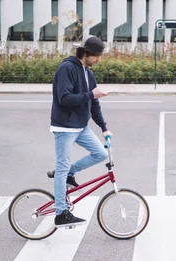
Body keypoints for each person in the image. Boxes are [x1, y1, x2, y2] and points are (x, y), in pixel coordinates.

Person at [48, 35, 112, 228]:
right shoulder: (66, 69)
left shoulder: (88, 73)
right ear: (85, 53)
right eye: (97, 56)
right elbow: (64, 98)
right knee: (61, 167)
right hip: (64, 127)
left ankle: (70, 173)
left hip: (81, 127)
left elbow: (94, 104)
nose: (99, 59)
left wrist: (104, 128)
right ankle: (61, 213)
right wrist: (91, 94)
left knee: (100, 153)